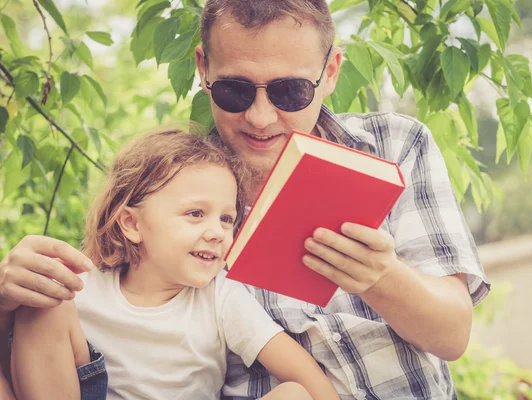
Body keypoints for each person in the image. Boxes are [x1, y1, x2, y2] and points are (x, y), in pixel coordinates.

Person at [0, 0, 490, 399]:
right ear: (202, 68)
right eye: (234, 90)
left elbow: (452, 336)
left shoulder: (395, 146)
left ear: (332, 72)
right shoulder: (181, 186)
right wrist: (9, 295)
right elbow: (94, 305)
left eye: (291, 91)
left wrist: (382, 278)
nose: (259, 117)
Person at [5, 128, 339, 400]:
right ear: (132, 224)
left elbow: (310, 382)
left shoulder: (220, 297)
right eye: (195, 214)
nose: (217, 233)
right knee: (47, 298)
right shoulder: (84, 287)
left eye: (226, 219)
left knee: (294, 394)